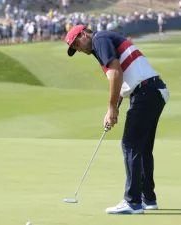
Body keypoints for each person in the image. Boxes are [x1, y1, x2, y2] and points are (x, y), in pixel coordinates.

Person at [64, 25, 169, 214]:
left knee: (130, 144)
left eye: (76, 43)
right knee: (143, 148)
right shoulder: (101, 45)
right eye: (75, 49)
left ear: (84, 34)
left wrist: (111, 107)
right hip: (153, 91)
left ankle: (133, 201)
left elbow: (116, 72)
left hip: (145, 92)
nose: (78, 49)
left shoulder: (99, 39)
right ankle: (148, 198)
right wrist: (115, 109)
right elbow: (120, 81)